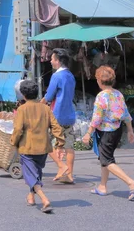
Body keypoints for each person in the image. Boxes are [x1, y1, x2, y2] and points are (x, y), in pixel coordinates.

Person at [82, 66, 134, 200]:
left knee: (107, 160)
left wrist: (88, 133)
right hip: (117, 130)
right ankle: (102, 186)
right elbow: (126, 114)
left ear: (99, 81)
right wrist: (130, 131)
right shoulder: (118, 94)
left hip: (106, 132)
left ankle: (131, 183)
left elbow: (96, 118)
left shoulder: (101, 96)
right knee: (105, 158)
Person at [11, 80, 65, 214]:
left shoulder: (22, 109)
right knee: (35, 173)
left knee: (30, 175)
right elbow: (56, 127)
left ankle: (44, 199)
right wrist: (60, 143)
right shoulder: (45, 108)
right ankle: (31, 197)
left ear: (23, 95)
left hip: (27, 148)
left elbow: (18, 130)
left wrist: (13, 142)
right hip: (43, 148)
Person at [40, 48, 77, 184]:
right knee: (69, 145)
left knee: (44, 142)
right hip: (69, 115)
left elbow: (49, 96)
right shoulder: (70, 75)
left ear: (58, 61)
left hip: (56, 115)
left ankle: (62, 167)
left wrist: (39, 104)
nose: (50, 61)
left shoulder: (56, 76)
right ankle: (69, 175)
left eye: (52, 59)